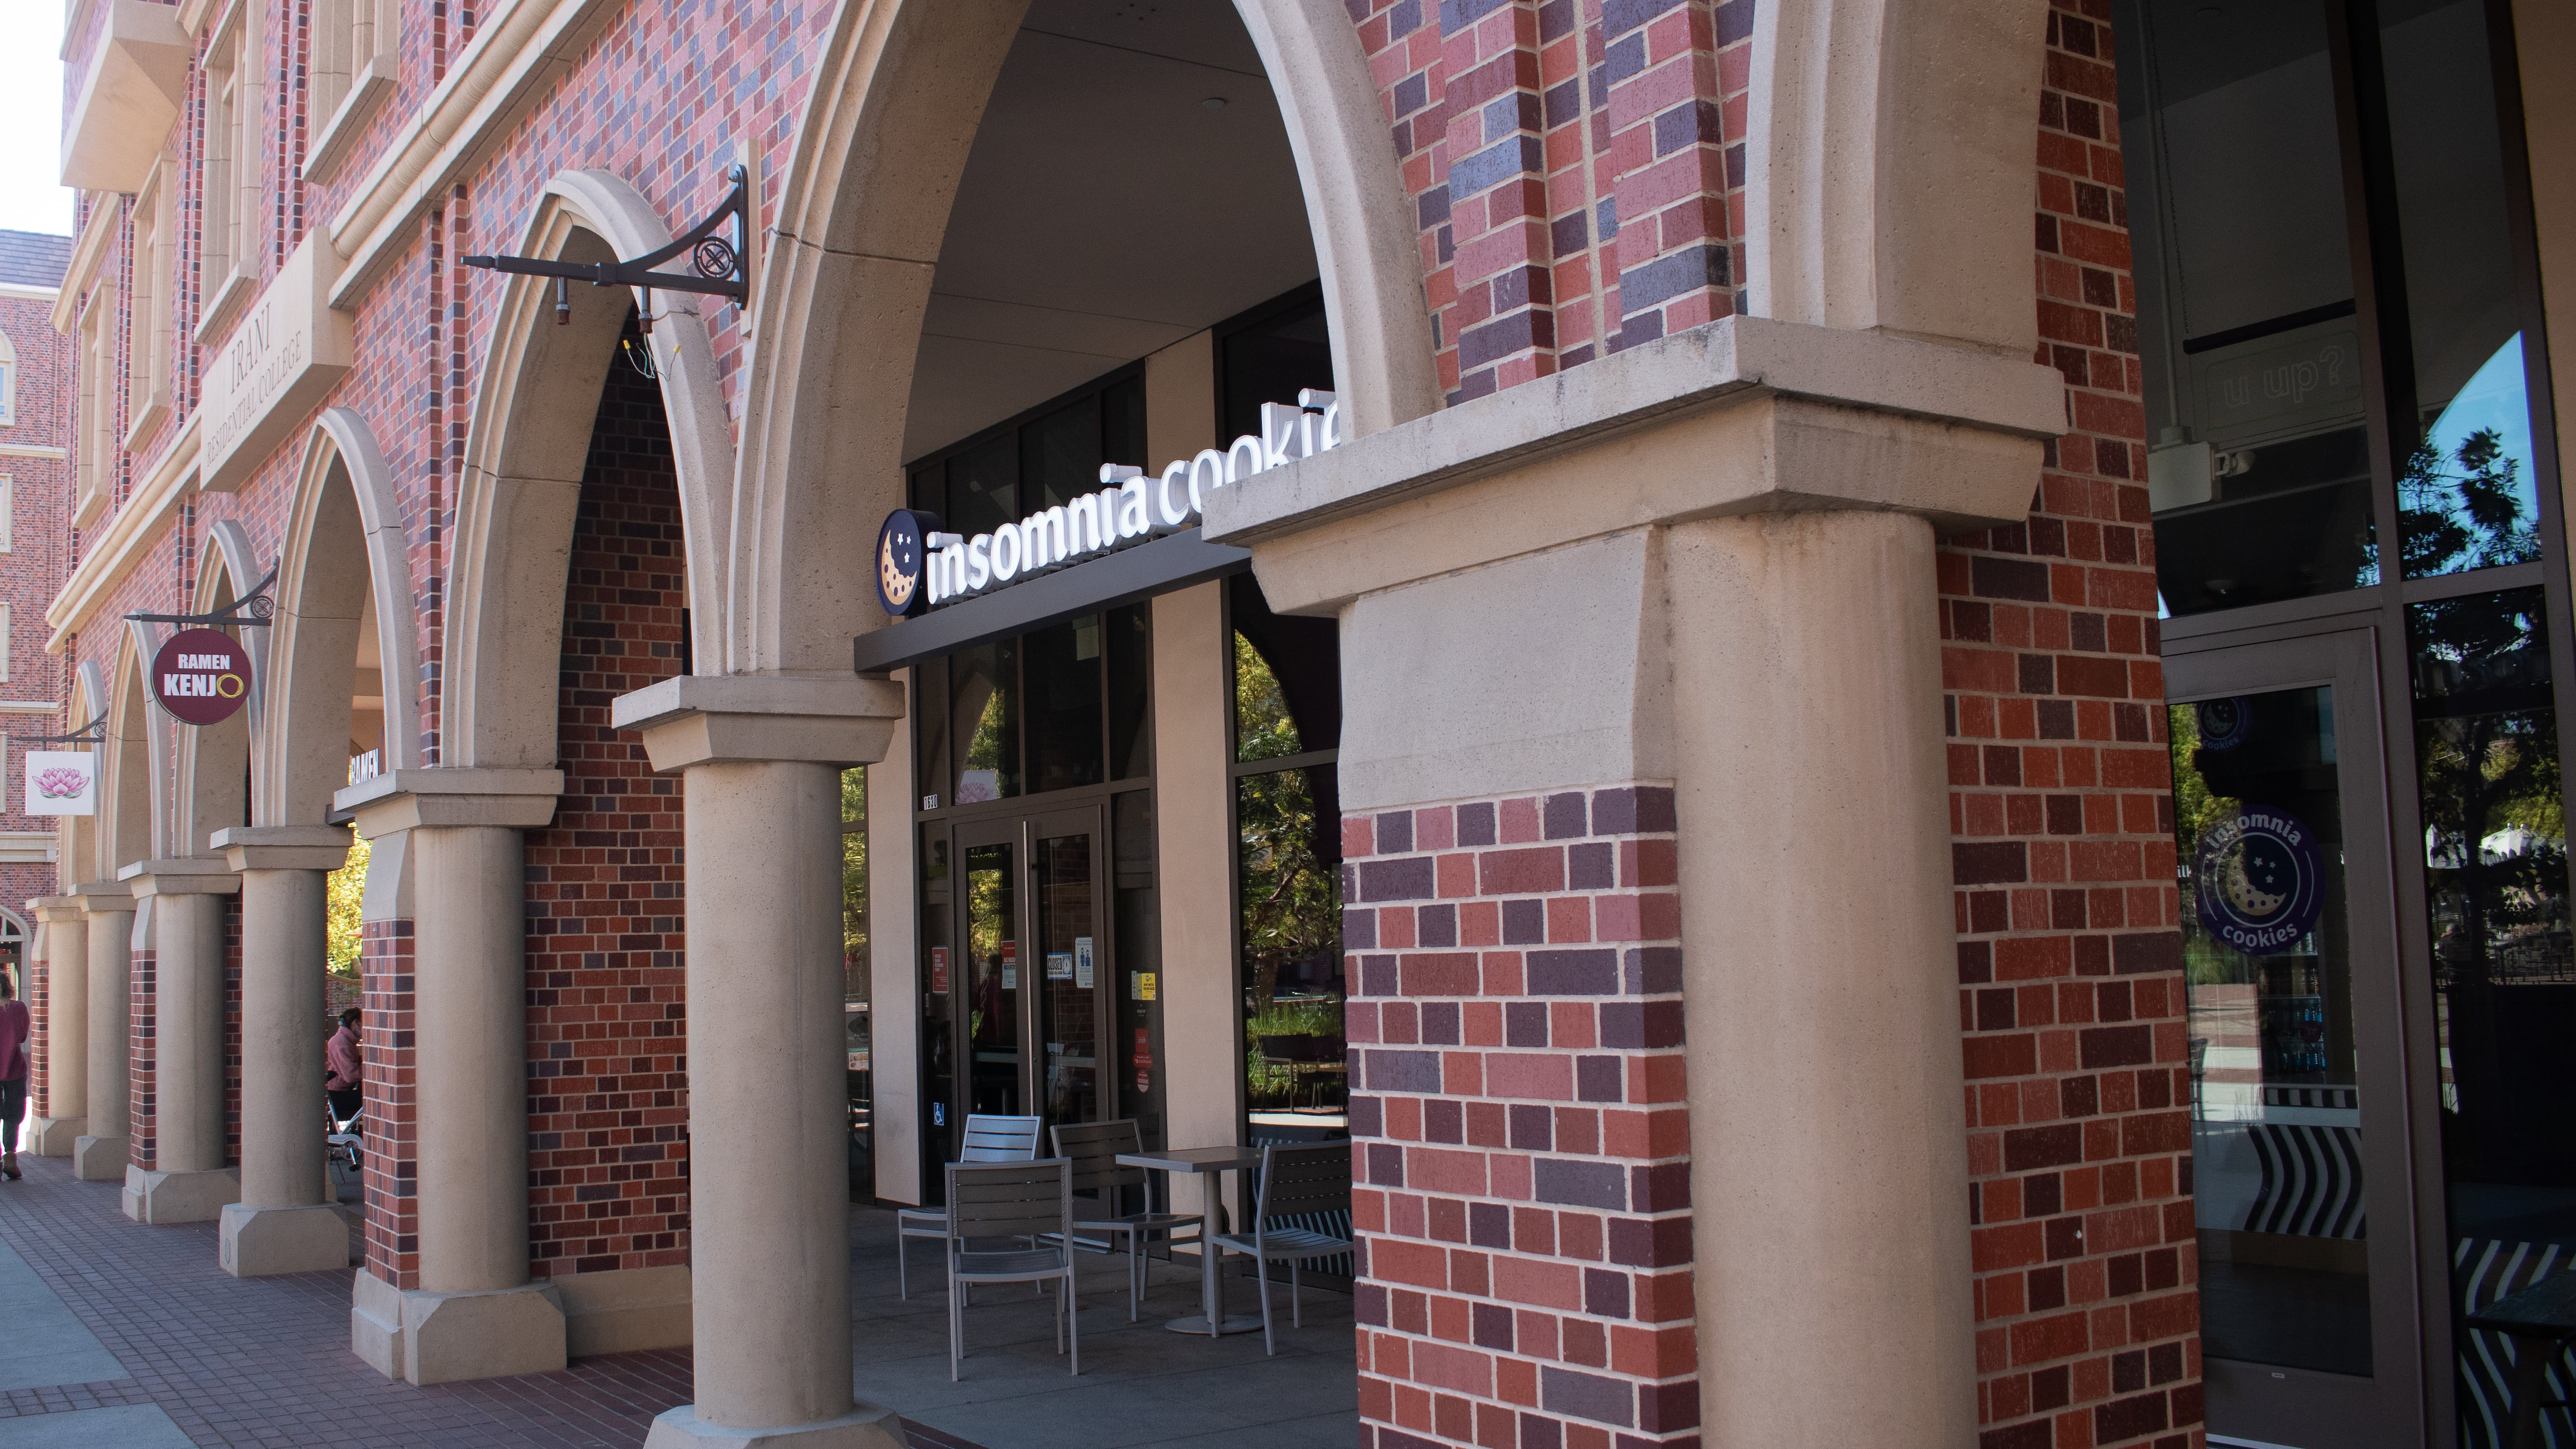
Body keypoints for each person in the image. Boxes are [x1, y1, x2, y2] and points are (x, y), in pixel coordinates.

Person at [0, 970, 28, 1181]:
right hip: (14, 1069)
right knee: (13, 1115)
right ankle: (10, 1157)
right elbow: (23, 1035)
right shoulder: (18, 1008)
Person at [325, 1007, 362, 1124]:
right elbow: (351, 1076)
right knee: (371, 1099)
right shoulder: (342, 1043)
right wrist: (372, 1071)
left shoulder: (346, 1041)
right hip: (337, 1095)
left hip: (339, 1093)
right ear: (356, 1023)